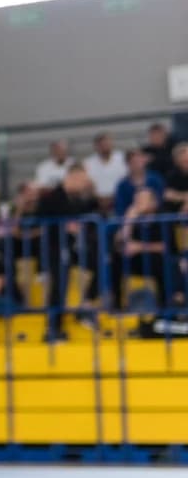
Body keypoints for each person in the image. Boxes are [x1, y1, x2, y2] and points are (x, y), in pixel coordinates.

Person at [37, 164, 101, 342]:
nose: (84, 184)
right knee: (59, 285)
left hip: (73, 247)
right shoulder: (52, 197)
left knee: (100, 263)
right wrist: (63, 226)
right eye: (82, 179)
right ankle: (53, 328)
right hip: (55, 247)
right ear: (72, 176)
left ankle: (85, 304)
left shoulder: (77, 199)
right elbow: (40, 219)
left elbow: (92, 211)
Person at [110, 187, 184, 315]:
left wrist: (139, 246)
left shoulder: (163, 217)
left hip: (160, 259)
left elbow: (165, 246)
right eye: (136, 200)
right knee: (116, 259)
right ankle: (117, 305)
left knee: (164, 265)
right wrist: (128, 222)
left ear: (153, 203)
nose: (138, 203)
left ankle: (165, 308)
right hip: (139, 260)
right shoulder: (134, 219)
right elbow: (119, 244)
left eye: (142, 200)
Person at [113, 149, 165, 219]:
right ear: (128, 164)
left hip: (155, 219)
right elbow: (120, 207)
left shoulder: (155, 179)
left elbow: (160, 199)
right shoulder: (122, 185)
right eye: (134, 162)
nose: (138, 164)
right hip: (131, 218)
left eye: (140, 161)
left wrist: (145, 208)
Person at [82, 133, 126, 213]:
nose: (104, 147)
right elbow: (87, 184)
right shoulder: (88, 163)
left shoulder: (122, 159)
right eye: (101, 144)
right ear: (96, 146)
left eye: (107, 143)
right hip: (96, 202)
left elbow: (126, 180)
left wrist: (112, 198)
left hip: (119, 199)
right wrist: (100, 199)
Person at [162, 143, 188, 215]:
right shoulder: (171, 175)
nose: (186, 159)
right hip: (176, 210)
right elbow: (168, 195)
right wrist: (185, 197)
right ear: (177, 160)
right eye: (183, 158)